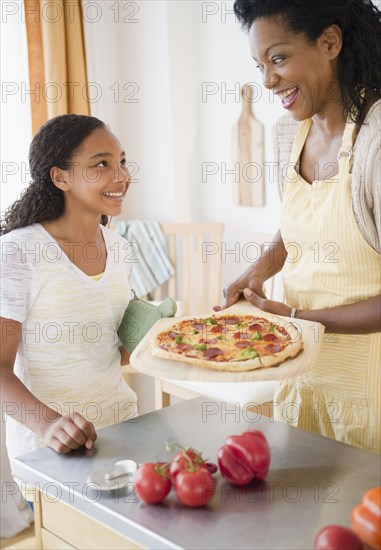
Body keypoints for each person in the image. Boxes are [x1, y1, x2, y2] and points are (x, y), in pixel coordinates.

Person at [219, 0, 381, 452]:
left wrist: (297, 320)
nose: (267, 80)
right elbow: (299, 225)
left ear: (329, 42)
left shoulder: (376, 144)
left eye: (278, 58)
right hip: (303, 376)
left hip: (371, 391)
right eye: (259, 65)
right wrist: (259, 270)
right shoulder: (288, 133)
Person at [0, 114, 138, 474]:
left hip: (123, 437)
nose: (121, 176)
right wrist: (49, 425)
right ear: (60, 177)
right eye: (102, 165)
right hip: (51, 455)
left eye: (121, 162)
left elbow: (112, 354)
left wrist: (158, 335)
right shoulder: (19, 252)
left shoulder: (121, 249)